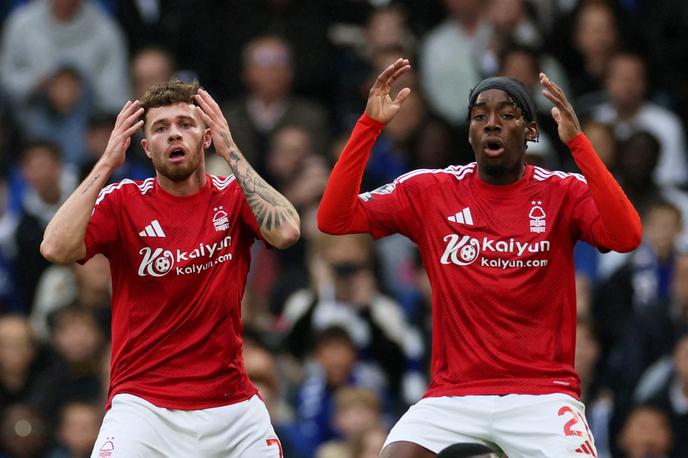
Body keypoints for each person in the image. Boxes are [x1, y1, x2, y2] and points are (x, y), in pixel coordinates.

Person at [318, 58, 642, 457]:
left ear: (531, 132)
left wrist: (578, 143)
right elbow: (333, 218)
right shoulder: (430, 190)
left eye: (507, 115)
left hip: (541, 395)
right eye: (479, 116)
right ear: (469, 132)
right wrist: (369, 126)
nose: (491, 123)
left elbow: (627, 236)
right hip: (454, 396)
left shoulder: (563, 191)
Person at [40, 80, 300, 457]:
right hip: (143, 406)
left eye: (185, 124)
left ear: (206, 137)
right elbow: (55, 247)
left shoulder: (232, 195)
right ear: (146, 148)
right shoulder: (123, 201)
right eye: (160, 128)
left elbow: (288, 231)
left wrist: (232, 151)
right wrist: (107, 161)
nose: (174, 134)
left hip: (231, 407)